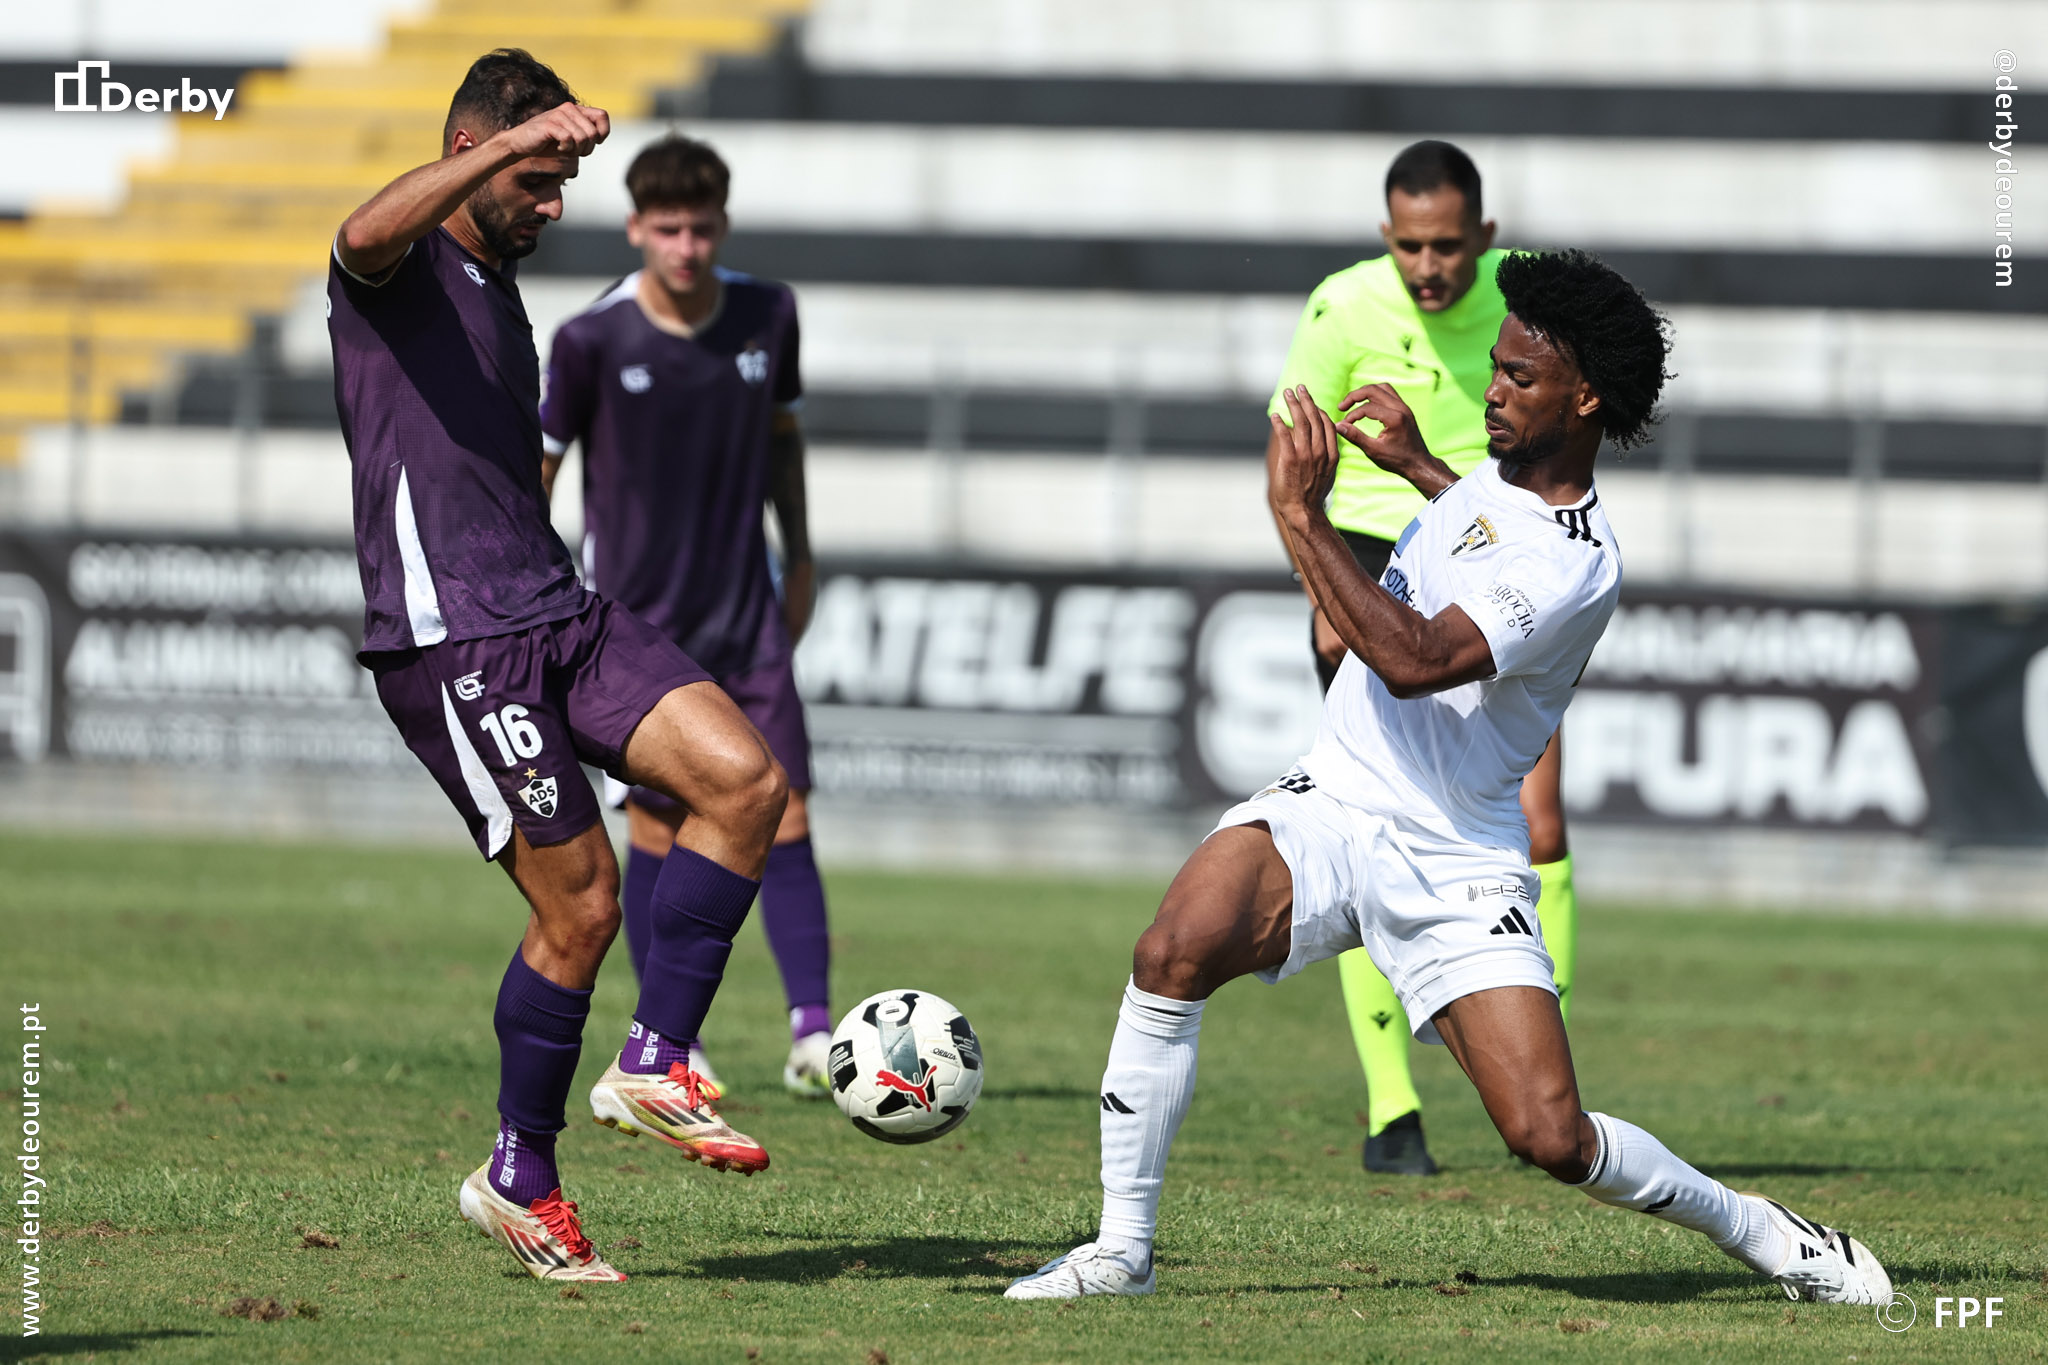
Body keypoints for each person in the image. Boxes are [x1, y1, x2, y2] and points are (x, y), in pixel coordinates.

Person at [1005, 250, 1891, 1308]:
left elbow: (1417, 660)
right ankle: (1119, 1252)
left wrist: (1300, 516)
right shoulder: (1493, 482)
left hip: (1453, 856)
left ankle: (1754, 1229)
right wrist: (1420, 466)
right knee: (1171, 949)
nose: (1493, 387)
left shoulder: (1574, 562)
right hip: (1334, 796)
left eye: (1519, 376)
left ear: (1585, 398)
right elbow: (1477, 526)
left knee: (1547, 1136)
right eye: (1496, 366)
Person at [329, 49, 786, 1284]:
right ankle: (519, 1176)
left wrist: (523, 162)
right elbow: (359, 229)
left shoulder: (496, 274)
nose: (555, 203)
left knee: (745, 784)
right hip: (455, 640)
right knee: (579, 904)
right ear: (479, 148)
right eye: (539, 177)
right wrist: (494, 156)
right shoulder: (402, 264)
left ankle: (654, 1059)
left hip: (558, 608)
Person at [1268, 140, 1577, 1175]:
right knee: (1377, 827)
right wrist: (1322, 587)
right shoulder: (1341, 307)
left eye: (1446, 244)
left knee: (1540, 817)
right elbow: (1289, 444)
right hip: (1373, 565)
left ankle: (1529, 1044)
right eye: (1408, 245)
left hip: (1489, 549)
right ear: (1384, 238)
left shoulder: (1524, 302)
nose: (1427, 265)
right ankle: (1390, 1107)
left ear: (1482, 237)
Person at [540, 133, 833, 1100]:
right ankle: (674, 1040)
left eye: (700, 227)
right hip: (638, 628)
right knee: (663, 827)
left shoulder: (767, 314)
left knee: (783, 805)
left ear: (723, 226)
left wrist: (803, 554)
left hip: (747, 611)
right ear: (634, 228)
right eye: (666, 227)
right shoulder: (590, 341)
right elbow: (537, 479)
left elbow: (784, 443)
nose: (685, 245)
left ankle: (812, 1031)